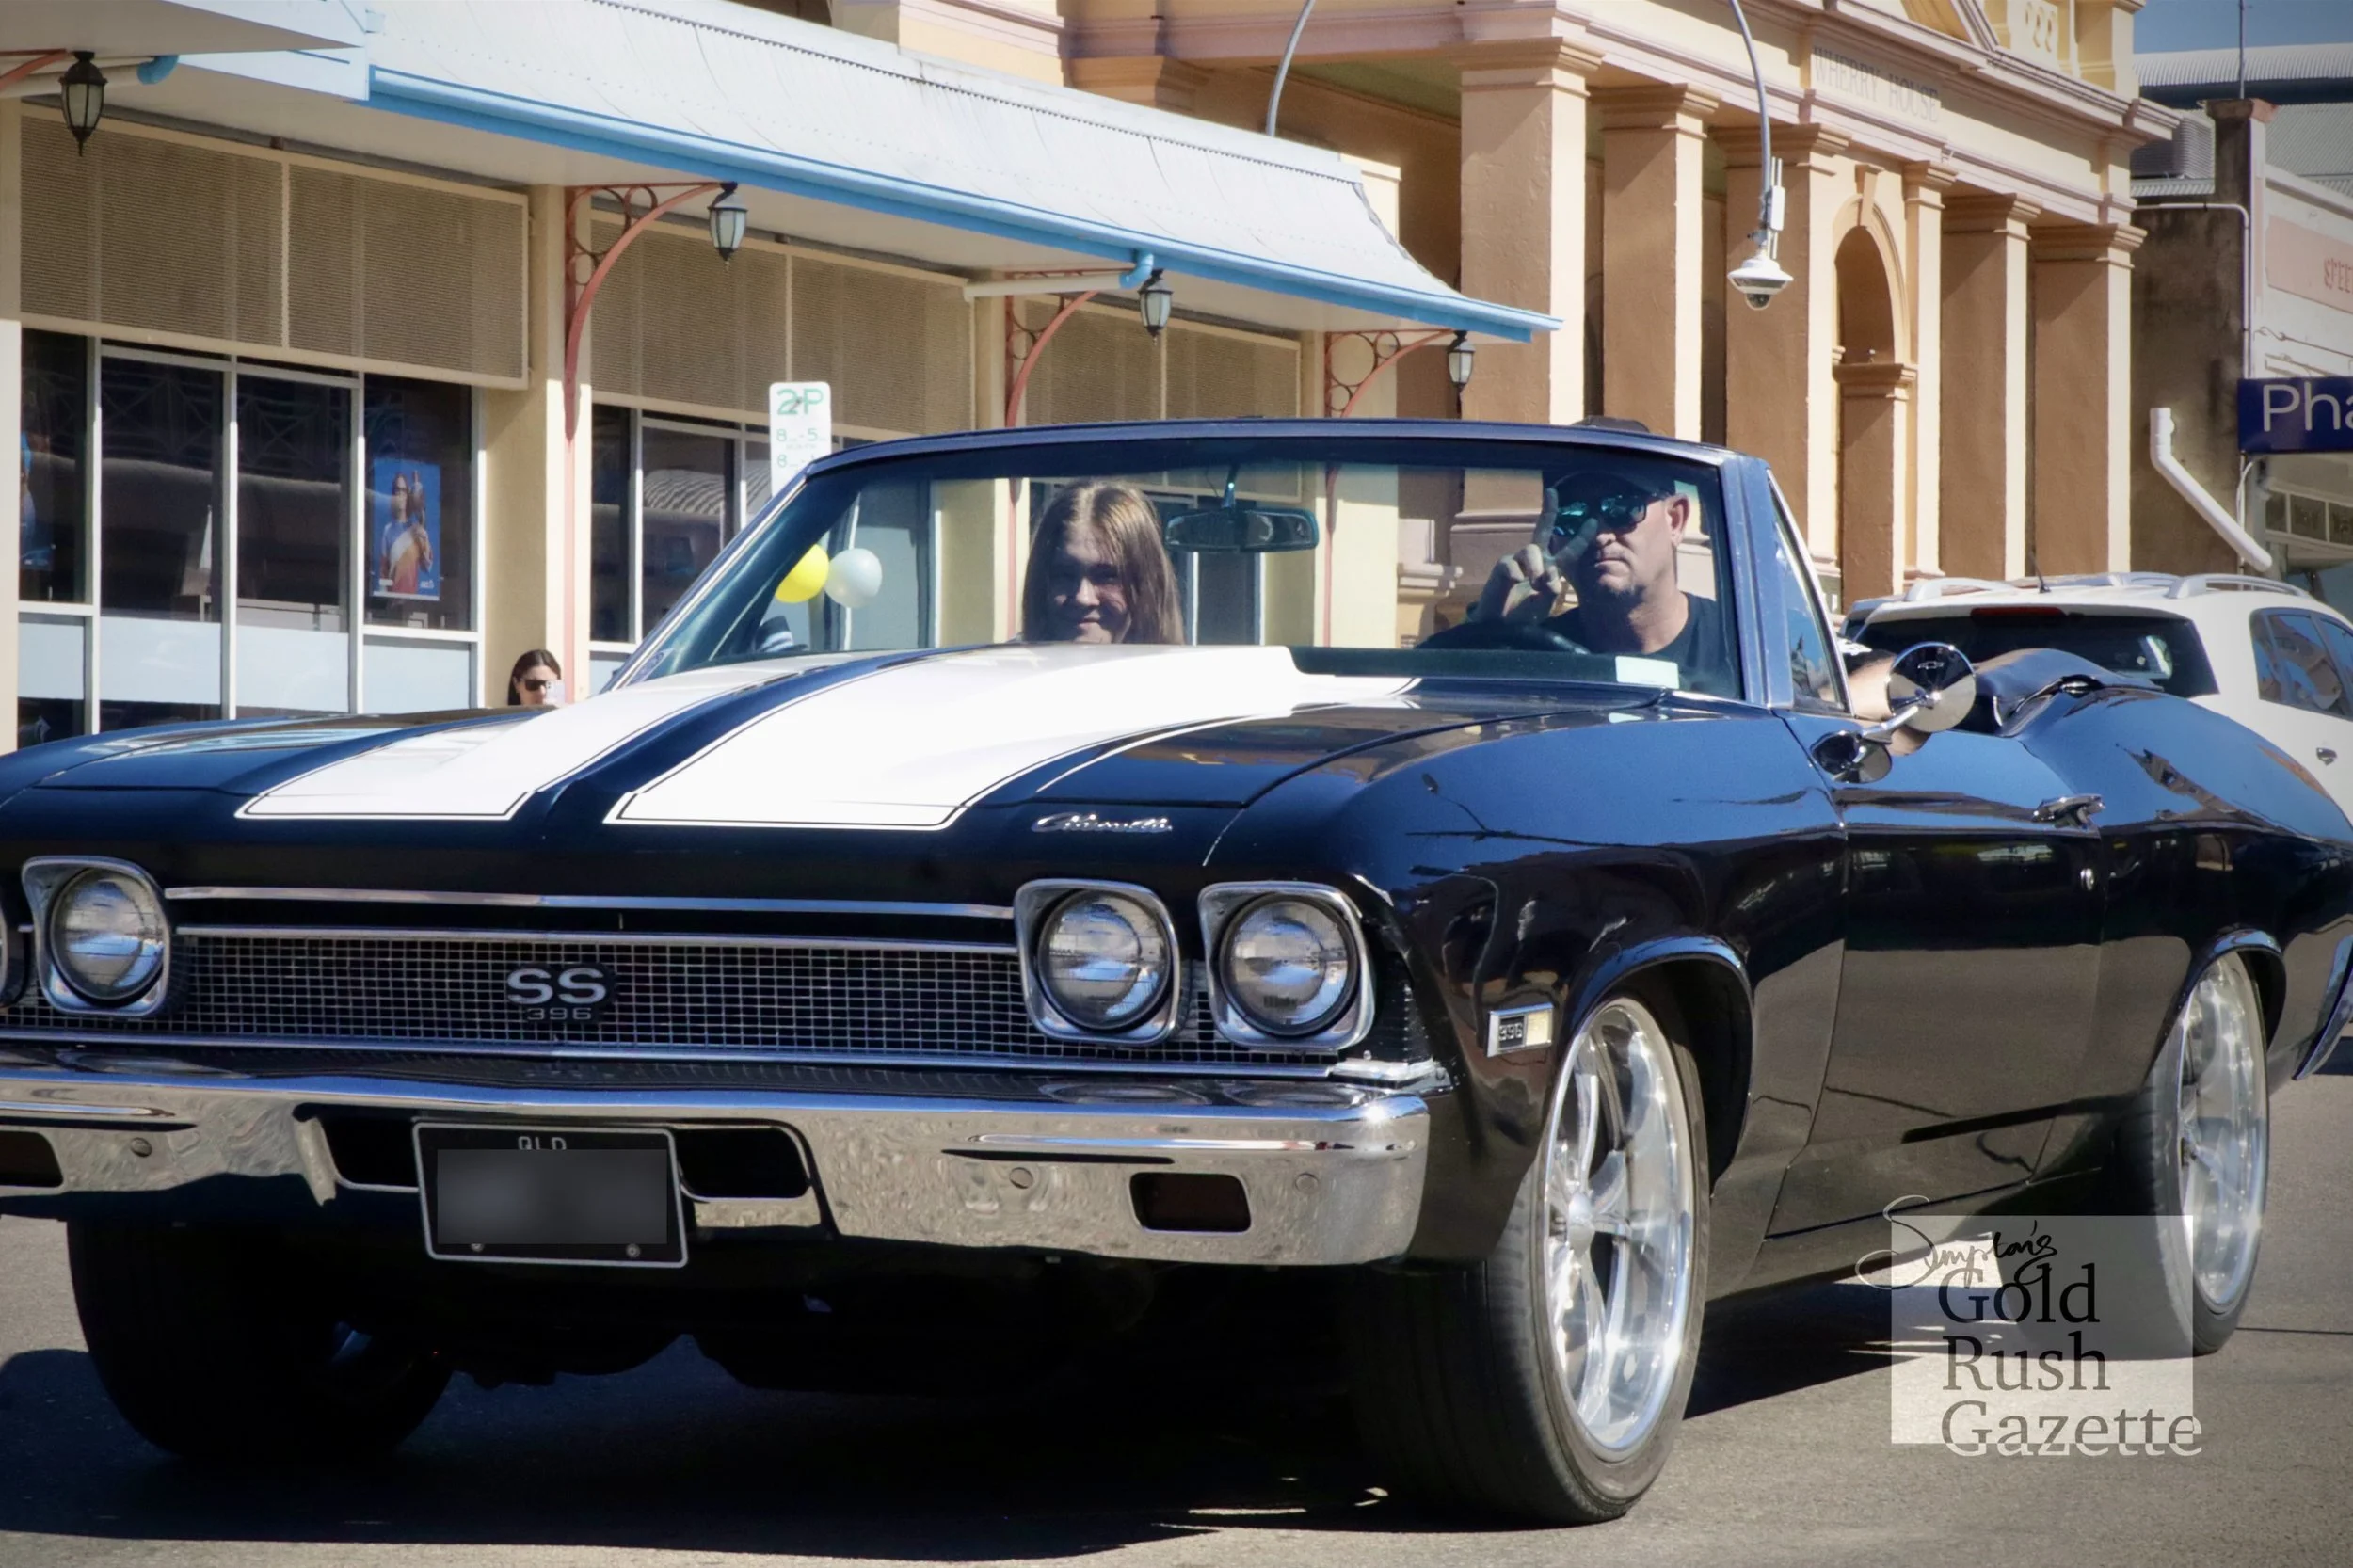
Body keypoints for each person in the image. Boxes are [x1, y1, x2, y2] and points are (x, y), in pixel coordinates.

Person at [1460, 466, 1733, 692]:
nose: (1599, 535)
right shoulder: (1536, 656)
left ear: (1675, 520)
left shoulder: (1739, 649)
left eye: (1622, 508)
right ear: (1553, 540)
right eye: (1572, 516)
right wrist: (1491, 633)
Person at [1021, 481, 1185, 645]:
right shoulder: (1010, 660)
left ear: (1148, 587)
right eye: (1064, 575)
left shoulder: (1188, 662)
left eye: (1108, 577)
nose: (1083, 598)